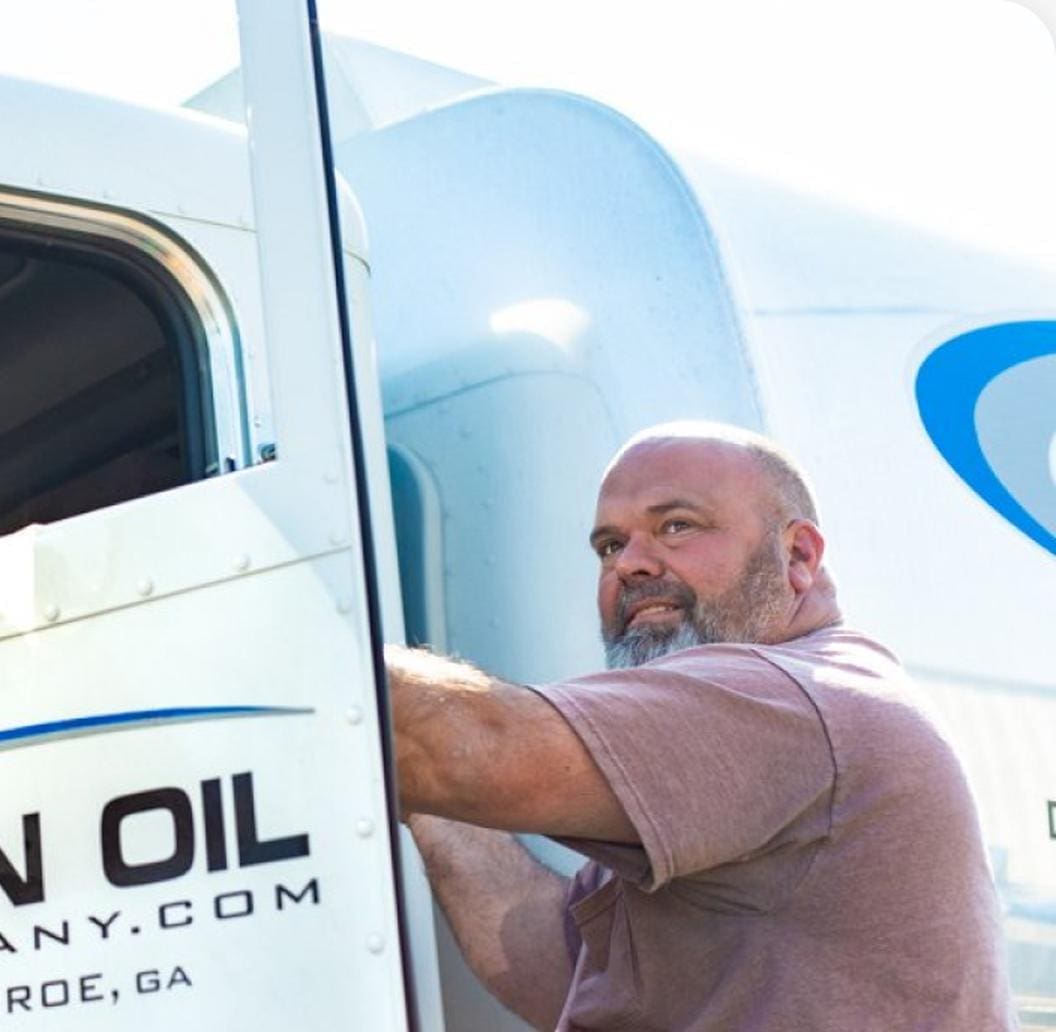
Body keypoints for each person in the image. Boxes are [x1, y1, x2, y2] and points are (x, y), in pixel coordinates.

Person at [387, 422, 1015, 1030]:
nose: (628, 565)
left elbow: (482, 750)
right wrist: (427, 788)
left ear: (797, 555)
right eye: (610, 545)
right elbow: (563, 973)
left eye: (676, 526)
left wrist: (324, 633)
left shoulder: (787, 699)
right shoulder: (758, 736)